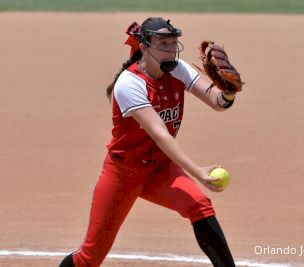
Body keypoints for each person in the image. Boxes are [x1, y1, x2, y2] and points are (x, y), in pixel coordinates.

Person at [59, 17, 239, 266]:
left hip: (159, 170)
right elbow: (160, 134)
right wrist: (196, 171)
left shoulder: (178, 69)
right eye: (163, 43)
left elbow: (218, 102)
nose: (170, 49)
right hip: (123, 173)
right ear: (144, 46)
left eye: (173, 43)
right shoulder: (129, 83)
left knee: (200, 206)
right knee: (90, 257)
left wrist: (229, 92)